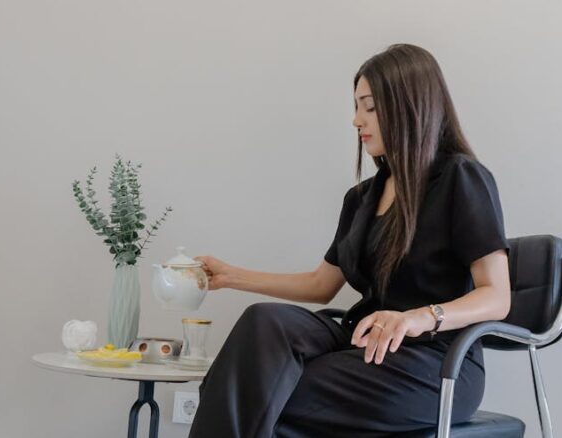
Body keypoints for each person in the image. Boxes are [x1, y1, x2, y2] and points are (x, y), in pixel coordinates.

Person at [187, 43, 511, 438]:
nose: (357, 120)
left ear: (410, 104)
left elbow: (497, 296)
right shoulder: (361, 197)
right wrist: (231, 276)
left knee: (251, 387)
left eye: (369, 107)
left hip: (434, 363)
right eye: (356, 107)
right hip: (362, 343)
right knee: (263, 323)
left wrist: (417, 317)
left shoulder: (461, 179)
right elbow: (321, 285)